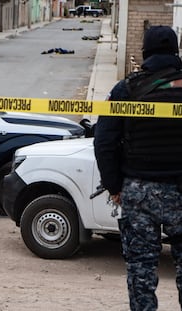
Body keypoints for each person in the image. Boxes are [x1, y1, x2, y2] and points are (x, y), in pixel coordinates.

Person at [94, 25, 182, 310]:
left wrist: (114, 185)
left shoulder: (126, 89)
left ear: (145, 51)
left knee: (141, 268)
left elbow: (104, 141)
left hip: (139, 190)